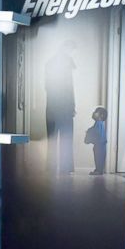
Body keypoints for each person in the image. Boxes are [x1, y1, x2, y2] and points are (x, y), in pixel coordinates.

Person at [44, 40, 77, 175]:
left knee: (52, 139)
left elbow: (47, 87)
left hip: (52, 107)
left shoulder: (50, 63)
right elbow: (69, 88)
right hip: (64, 107)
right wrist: (72, 105)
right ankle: (65, 167)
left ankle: (51, 168)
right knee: (66, 138)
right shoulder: (66, 63)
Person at [84, 106, 108, 176]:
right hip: (100, 144)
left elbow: (97, 132)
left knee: (99, 157)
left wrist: (90, 131)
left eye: (96, 112)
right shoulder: (98, 123)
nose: (93, 113)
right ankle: (98, 169)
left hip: (100, 145)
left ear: (101, 115)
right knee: (98, 157)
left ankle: (99, 170)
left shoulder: (99, 123)